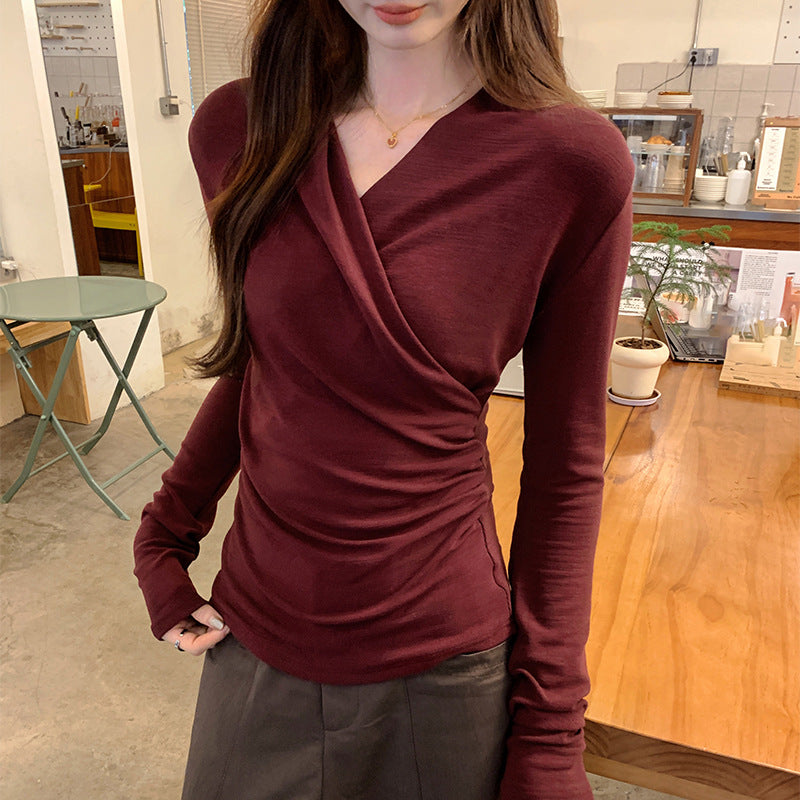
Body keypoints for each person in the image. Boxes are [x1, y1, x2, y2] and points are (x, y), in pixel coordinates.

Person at [133, 1, 634, 798]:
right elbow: (273, 362)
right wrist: (163, 533)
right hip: (255, 638)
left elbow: (565, 466)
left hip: (439, 665)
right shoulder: (240, 129)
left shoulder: (569, 162)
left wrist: (550, 733)